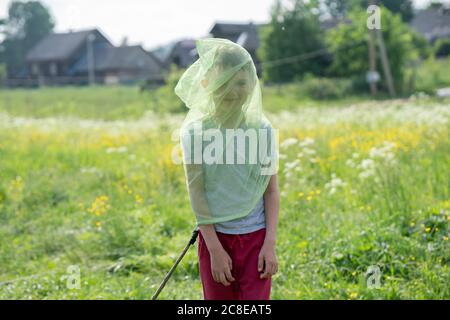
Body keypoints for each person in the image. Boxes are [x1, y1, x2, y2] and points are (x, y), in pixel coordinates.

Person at [175, 38, 279, 300]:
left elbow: (270, 191)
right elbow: (196, 192)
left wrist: (269, 244)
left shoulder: (262, 131)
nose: (233, 91)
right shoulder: (196, 134)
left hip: (256, 239)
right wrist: (215, 250)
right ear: (207, 84)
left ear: (252, 84)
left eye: (241, 82)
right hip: (216, 240)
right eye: (225, 83)